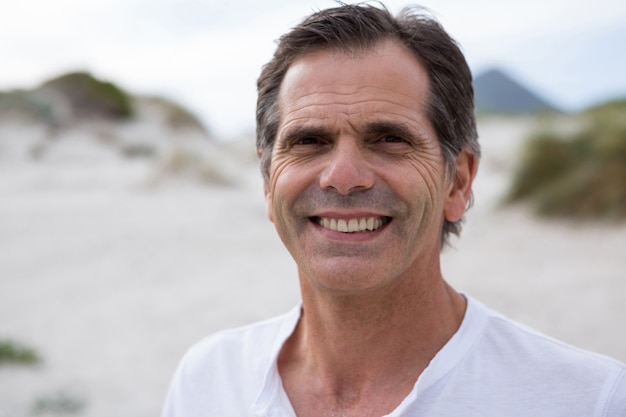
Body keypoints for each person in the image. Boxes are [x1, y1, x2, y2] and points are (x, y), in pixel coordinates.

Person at [162, 3, 626, 416]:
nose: (342, 176)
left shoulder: (590, 400)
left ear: (457, 181)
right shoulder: (206, 381)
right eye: (309, 141)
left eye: (389, 139)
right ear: (268, 183)